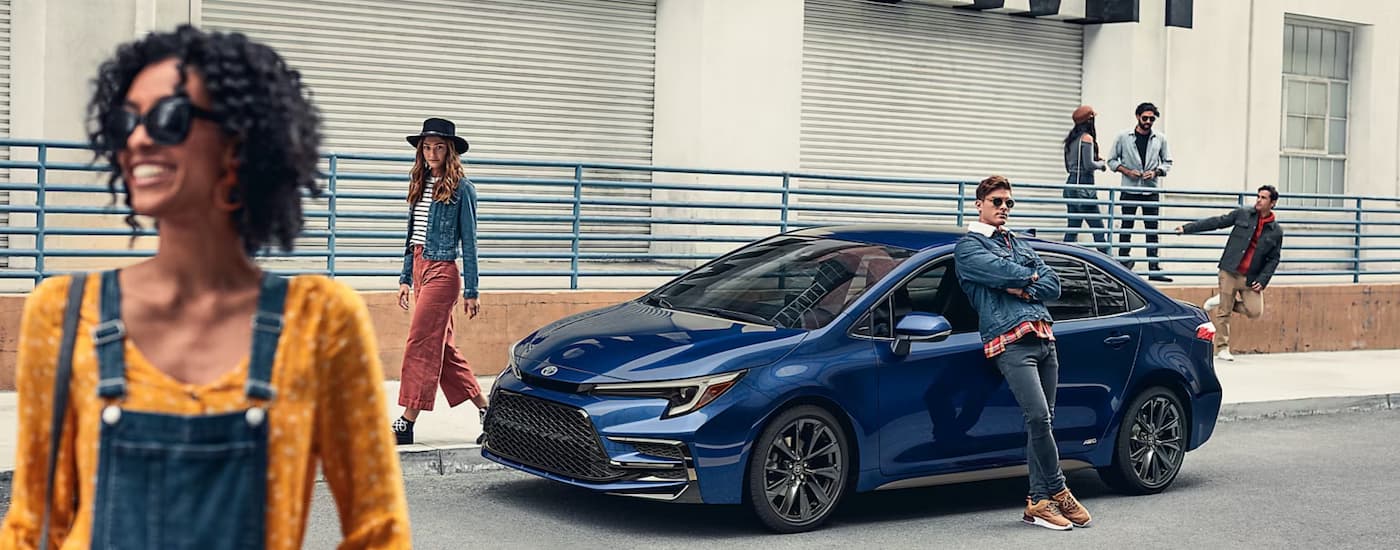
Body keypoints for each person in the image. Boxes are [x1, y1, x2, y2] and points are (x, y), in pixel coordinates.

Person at [0, 25, 410, 548]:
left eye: (168, 118)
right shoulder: (62, 312)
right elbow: (33, 526)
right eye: (127, 120)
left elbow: (380, 532)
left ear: (241, 140)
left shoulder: (320, 320)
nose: (139, 138)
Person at [955, 176, 1092, 531]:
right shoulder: (968, 247)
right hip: (1010, 341)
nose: (1004, 208)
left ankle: (1037, 501)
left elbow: (1053, 285)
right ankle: (1059, 490)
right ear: (979, 204)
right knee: (1038, 418)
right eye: (997, 201)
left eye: (1009, 203)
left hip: (1045, 338)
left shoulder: (1016, 242)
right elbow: (997, 271)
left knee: (1044, 420)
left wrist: (1021, 285)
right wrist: (1023, 279)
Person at [391, 117, 489, 446]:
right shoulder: (419, 182)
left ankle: (407, 422)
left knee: (419, 343)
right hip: (419, 268)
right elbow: (411, 236)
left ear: (450, 151)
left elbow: (471, 242)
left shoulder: (463, 188)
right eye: (427, 147)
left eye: (439, 147)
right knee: (442, 350)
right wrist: (405, 277)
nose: (432, 152)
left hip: (443, 272)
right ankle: (488, 412)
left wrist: (473, 290)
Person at [1175, 186, 1284, 362]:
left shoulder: (1276, 231)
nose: (1258, 200)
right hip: (1230, 270)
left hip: (1251, 277)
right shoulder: (1243, 214)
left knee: (1255, 311)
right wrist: (1187, 228)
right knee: (1224, 312)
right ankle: (1222, 348)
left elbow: (1273, 259)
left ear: (1272, 203)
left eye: (1263, 198)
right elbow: (1217, 222)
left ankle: (1222, 299)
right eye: (1258, 196)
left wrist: (1263, 280)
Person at [1107, 102, 1174, 282]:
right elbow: (1111, 161)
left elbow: (1168, 162)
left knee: (1152, 229)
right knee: (1126, 227)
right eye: (1145, 118)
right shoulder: (1123, 137)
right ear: (1137, 117)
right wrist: (1128, 172)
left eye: (1152, 119)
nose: (1148, 122)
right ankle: (1122, 264)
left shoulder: (1160, 138)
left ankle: (1154, 268)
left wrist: (1156, 172)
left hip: (1150, 190)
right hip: (1129, 189)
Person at [1062, 105, 1110, 254]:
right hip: (1084, 187)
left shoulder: (1070, 140)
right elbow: (1089, 165)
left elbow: (1069, 166)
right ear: (1089, 120)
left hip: (1070, 186)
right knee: (1098, 228)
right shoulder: (1086, 138)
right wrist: (1101, 164)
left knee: (1073, 228)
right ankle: (1108, 262)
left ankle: (1064, 260)